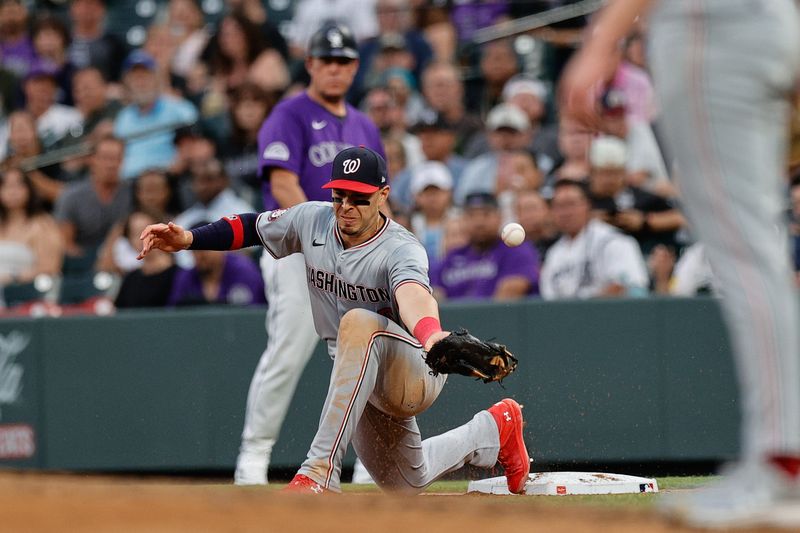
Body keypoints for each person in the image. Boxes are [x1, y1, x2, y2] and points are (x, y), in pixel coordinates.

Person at [137, 145, 530, 495]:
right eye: (339, 195)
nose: (345, 206)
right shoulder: (313, 220)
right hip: (357, 375)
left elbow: (414, 297)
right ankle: (495, 428)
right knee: (406, 481)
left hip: (415, 366)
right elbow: (251, 225)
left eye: (358, 198)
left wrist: (432, 338)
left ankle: (318, 472)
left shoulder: (400, 248)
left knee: (359, 321)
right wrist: (189, 239)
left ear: (383, 196)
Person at [562, 2, 800, 526]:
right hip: (760, 25)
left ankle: (783, 463)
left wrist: (603, 42)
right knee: (757, 250)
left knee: (744, 253)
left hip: (709, 27)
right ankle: (781, 458)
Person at [236, 23, 386, 486]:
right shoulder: (289, 114)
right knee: (289, 349)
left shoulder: (364, 125)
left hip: (357, 257)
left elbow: (380, 198)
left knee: (363, 355)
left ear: (355, 67)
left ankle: (368, 462)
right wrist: (324, 239)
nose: (335, 69)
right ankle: (253, 458)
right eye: (327, 60)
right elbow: (282, 184)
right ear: (311, 65)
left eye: (343, 61)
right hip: (296, 251)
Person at [539, 180, 648, 300]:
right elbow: (549, 300)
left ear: (587, 205)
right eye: (559, 206)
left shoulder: (614, 241)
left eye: (571, 204)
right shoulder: (554, 253)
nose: (565, 213)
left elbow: (632, 289)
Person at [432, 192, 539, 301]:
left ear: (500, 217)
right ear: (463, 220)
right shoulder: (453, 256)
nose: (479, 222)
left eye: (486, 214)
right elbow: (436, 294)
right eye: (472, 215)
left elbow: (510, 293)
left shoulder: (516, 250)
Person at [113, 49, 199, 180]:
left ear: (157, 78)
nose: (141, 82)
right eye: (135, 77)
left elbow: (195, 142)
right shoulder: (123, 118)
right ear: (127, 83)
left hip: (169, 178)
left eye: (145, 76)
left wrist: (176, 167)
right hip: (129, 182)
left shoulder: (179, 109)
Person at [53, 136, 130, 266]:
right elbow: (66, 244)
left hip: (123, 260)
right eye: (105, 158)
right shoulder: (72, 196)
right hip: (82, 262)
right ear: (92, 159)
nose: (111, 164)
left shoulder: (133, 192)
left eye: (116, 158)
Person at [0, 167, 63, 287]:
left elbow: (50, 268)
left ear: (30, 189)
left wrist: (13, 277)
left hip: (24, 294)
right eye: (6, 186)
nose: (13, 191)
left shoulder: (43, 224)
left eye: (19, 185)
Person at [114, 210, 179, 308]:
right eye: (135, 233)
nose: (142, 237)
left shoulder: (180, 275)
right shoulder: (130, 279)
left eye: (147, 231)